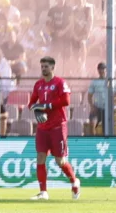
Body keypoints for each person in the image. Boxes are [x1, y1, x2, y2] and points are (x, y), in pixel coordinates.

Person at [27, 56, 80, 200]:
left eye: (46, 66)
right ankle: (43, 192)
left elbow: (66, 101)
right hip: (43, 128)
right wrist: (37, 110)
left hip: (58, 126)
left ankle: (74, 181)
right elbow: (31, 103)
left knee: (60, 161)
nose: (43, 69)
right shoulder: (38, 85)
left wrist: (46, 106)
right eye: (42, 66)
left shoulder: (60, 82)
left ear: (52, 67)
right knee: (40, 157)